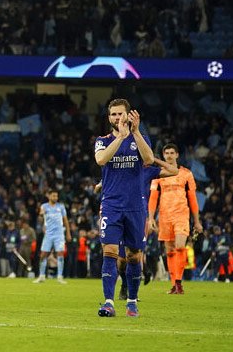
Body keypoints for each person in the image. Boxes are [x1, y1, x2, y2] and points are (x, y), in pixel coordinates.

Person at [93, 99, 154, 318]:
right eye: (113, 115)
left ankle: (132, 302)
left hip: (135, 207)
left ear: (129, 115)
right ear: (109, 118)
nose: (117, 118)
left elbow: (148, 159)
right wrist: (120, 136)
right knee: (109, 252)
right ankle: (108, 302)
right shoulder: (103, 140)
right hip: (111, 205)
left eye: (120, 114)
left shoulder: (140, 139)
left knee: (134, 256)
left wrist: (135, 133)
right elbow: (101, 160)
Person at [147, 143, 202, 294]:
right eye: (167, 153)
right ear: (163, 155)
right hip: (164, 216)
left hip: (181, 215)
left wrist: (196, 221)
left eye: (172, 153)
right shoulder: (158, 174)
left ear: (177, 155)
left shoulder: (186, 174)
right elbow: (153, 197)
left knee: (180, 246)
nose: (169, 155)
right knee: (169, 251)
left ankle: (178, 282)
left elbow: (192, 198)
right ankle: (174, 284)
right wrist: (151, 217)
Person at [33, 190, 71, 284]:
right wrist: (41, 215)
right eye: (54, 196)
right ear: (49, 196)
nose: (55, 198)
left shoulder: (61, 207)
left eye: (56, 196)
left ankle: (60, 277)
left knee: (60, 254)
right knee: (43, 255)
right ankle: (41, 276)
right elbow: (40, 217)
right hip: (48, 234)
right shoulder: (44, 206)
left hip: (59, 234)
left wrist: (68, 233)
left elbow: (65, 220)